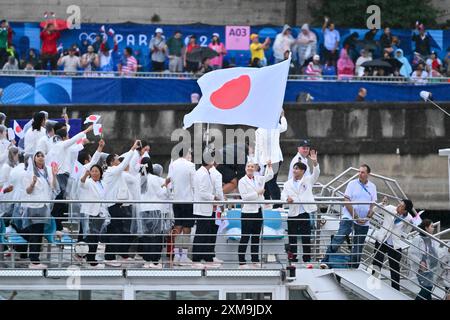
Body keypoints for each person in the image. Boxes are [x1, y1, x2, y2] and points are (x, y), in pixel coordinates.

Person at [321, 164, 377, 269]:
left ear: (368, 174)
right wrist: (355, 216)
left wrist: (368, 218)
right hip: (349, 217)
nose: (360, 174)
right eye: (359, 172)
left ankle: (353, 267)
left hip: (364, 221)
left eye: (362, 172)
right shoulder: (352, 184)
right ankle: (325, 261)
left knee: (358, 245)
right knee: (339, 238)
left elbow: (373, 205)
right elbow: (346, 201)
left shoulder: (372, 187)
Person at [47, 126, 93, 233]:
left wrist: (83, 144)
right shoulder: (61, 145)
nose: (69, 138)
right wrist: (85, 131)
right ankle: (57, 226)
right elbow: (73, 141)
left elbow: (75, 148)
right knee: (60, 201)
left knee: (63, 201)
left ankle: (58, 225)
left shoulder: (61, 147)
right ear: (63, 137)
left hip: (63, 175)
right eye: (67, 136)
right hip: (61, 174)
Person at [102, 140, 141, 267]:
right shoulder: (112, 170)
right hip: (113, 205)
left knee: (116, 231)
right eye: (117, 159)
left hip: (115, 205)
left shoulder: (115, 172)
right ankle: (109, 257)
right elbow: (124, 163)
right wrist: (133, 148)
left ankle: (111, 256)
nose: (120, 161)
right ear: (112, 162)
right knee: (115, 231)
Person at [18, 151, 58, 268]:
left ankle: (34, 259)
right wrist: (33, 183)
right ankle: (34, 260)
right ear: (34, 159)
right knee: (36, 232)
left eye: (42, 156)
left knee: (38, 232)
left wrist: (54, 175)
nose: (41, 158)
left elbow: (53, 187)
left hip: (44, 206)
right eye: (38, 156)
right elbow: (28, 191)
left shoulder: (47, 171)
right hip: (34, 207)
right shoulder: (29, 173)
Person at [371, 199, 421, 290]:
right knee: (377, 263)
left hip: (395, 243)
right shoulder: (390, 208)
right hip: (382, 239)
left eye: (401, 206)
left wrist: (406, 229)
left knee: (395, 267)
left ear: (405, 210)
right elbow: (375, 210)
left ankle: (395, 289)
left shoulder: (408, 217)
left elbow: (407, 231)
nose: (398, 206)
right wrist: (382, 204)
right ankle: (373, 284)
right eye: (399, 204)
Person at [281, 150, 320, 263]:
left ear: (303, 171)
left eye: (297, 168)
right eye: (294, 168)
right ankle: (293, 258)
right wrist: (286, 199)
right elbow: (283, 194)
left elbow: (316, 174)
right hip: (293, 212)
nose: (294, 170)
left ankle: (306, 258)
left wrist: (315, 163)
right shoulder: (287, 183)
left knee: (306, 237)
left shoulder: (308, 180)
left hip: (304, 212)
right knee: (292, 237)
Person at [238, 160, 273, 268]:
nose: (250, 168)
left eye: (252, 166)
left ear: (255, 168)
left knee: (256, 237)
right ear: (245, 168)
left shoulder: (258, 178)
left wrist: (269, 166)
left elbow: (269, 176)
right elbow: (245, 197)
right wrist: (257, 193)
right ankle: (242, 262)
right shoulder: (242, 181)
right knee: (245, 237)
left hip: (258, 211)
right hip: (247, 212)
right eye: (248, 166)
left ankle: (255, 260)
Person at [137, 157, 169, 269]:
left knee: (146, 236)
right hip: (155, 209)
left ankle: (147, 260)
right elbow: (162, 194)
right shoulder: (155, 179)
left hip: (142, 210)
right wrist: (165, 186)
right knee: (156, 236)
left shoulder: (139, 179)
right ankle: (155, 261)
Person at [191, 151, 222, 268]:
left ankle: (206, 257)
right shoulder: (202, 174)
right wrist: (214, 198)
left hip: (205, 208)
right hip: (203, 209)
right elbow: (203, 192)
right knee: (201, 234)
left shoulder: (203, 172)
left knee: (205, 233)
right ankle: (196, 259)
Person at [166, 148, 196, 266]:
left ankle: (176, 255)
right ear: (187, 154)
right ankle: (183, 255)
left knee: (177, 226)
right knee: (187, 227)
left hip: (176, 199)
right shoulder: (191, 165)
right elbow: (194, 182)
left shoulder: (173, 164)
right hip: (188, 200)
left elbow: (169, 180)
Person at [254, 110, 287, 208]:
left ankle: (277, 205)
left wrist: (282, 116)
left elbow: (284, 128)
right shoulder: (259, 131)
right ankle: (267, 203)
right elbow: (258, 147)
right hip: (265, 160)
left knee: (271, 181)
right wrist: (256, 161)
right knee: (267, 181)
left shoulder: (275, 126)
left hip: (275, 158)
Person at [79, 164, 108, 268]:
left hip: (100, 213)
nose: (95, 173)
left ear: (100, 173)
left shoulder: (103, 183)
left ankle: (90, 257)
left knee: (95, 237)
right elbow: (82, 184)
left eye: (97, 171)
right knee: (91, 237)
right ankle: (90, 259)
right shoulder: (88, 182)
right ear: (90, 173)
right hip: (91, 213)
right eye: (93, 171)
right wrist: (84, 176)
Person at [409, 219, 439, 300]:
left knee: (428, 290)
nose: (433, 228)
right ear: (426, 228)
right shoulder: (417, 238)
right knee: (427, 289)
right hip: (421, 269)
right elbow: (411, 253)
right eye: (431, 226)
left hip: (430, 268)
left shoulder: (431, 238)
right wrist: (420, 262)